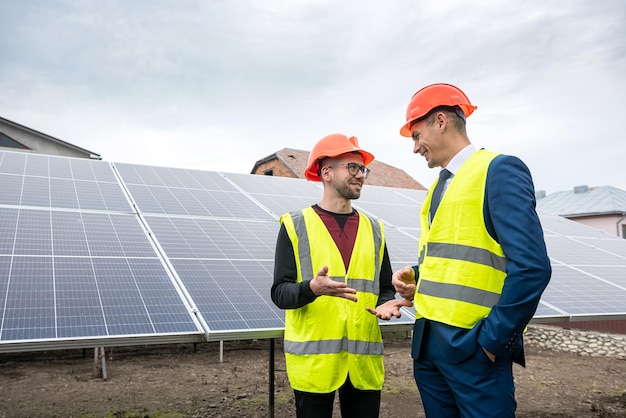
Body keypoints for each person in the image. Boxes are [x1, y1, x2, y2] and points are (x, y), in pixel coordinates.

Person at [392, 83, 552, 418]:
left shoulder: (499, 170)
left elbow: (532, 267)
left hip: (474, 348)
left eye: (416, 136)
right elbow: (456, 256)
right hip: (428, 347)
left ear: (440, 121)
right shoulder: (438, 185)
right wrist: (416, 276)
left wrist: (493, 343)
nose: (415, 148)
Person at [271, 133, 413, 418]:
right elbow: (280, 293)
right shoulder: (295, 225)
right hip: (314, 367)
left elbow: (384, 288)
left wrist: (388, 301)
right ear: (325, 172)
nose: (360, 175)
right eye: (352, 167)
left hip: (363, 364)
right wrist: (311, 288)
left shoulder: (375, 230)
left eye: (363, 169)